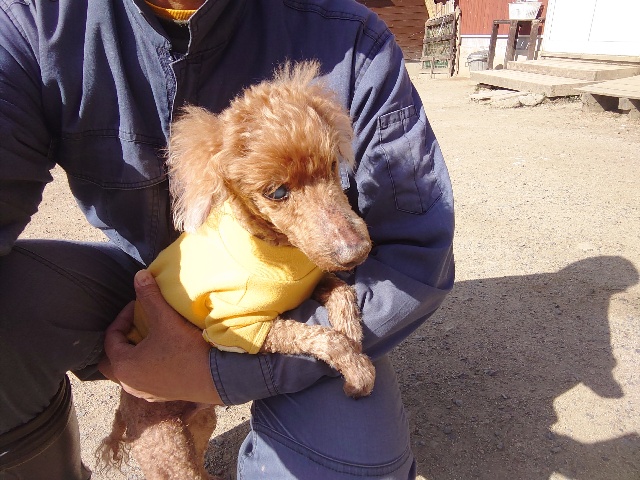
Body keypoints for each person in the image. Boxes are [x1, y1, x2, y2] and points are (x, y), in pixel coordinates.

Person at [0, 0, 455, 478]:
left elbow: (415, 254)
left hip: (283, 295)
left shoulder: (351, 38)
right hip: (144, 288)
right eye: (278, 192)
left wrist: (212, 374)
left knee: (352, 465)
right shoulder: (33, 25)